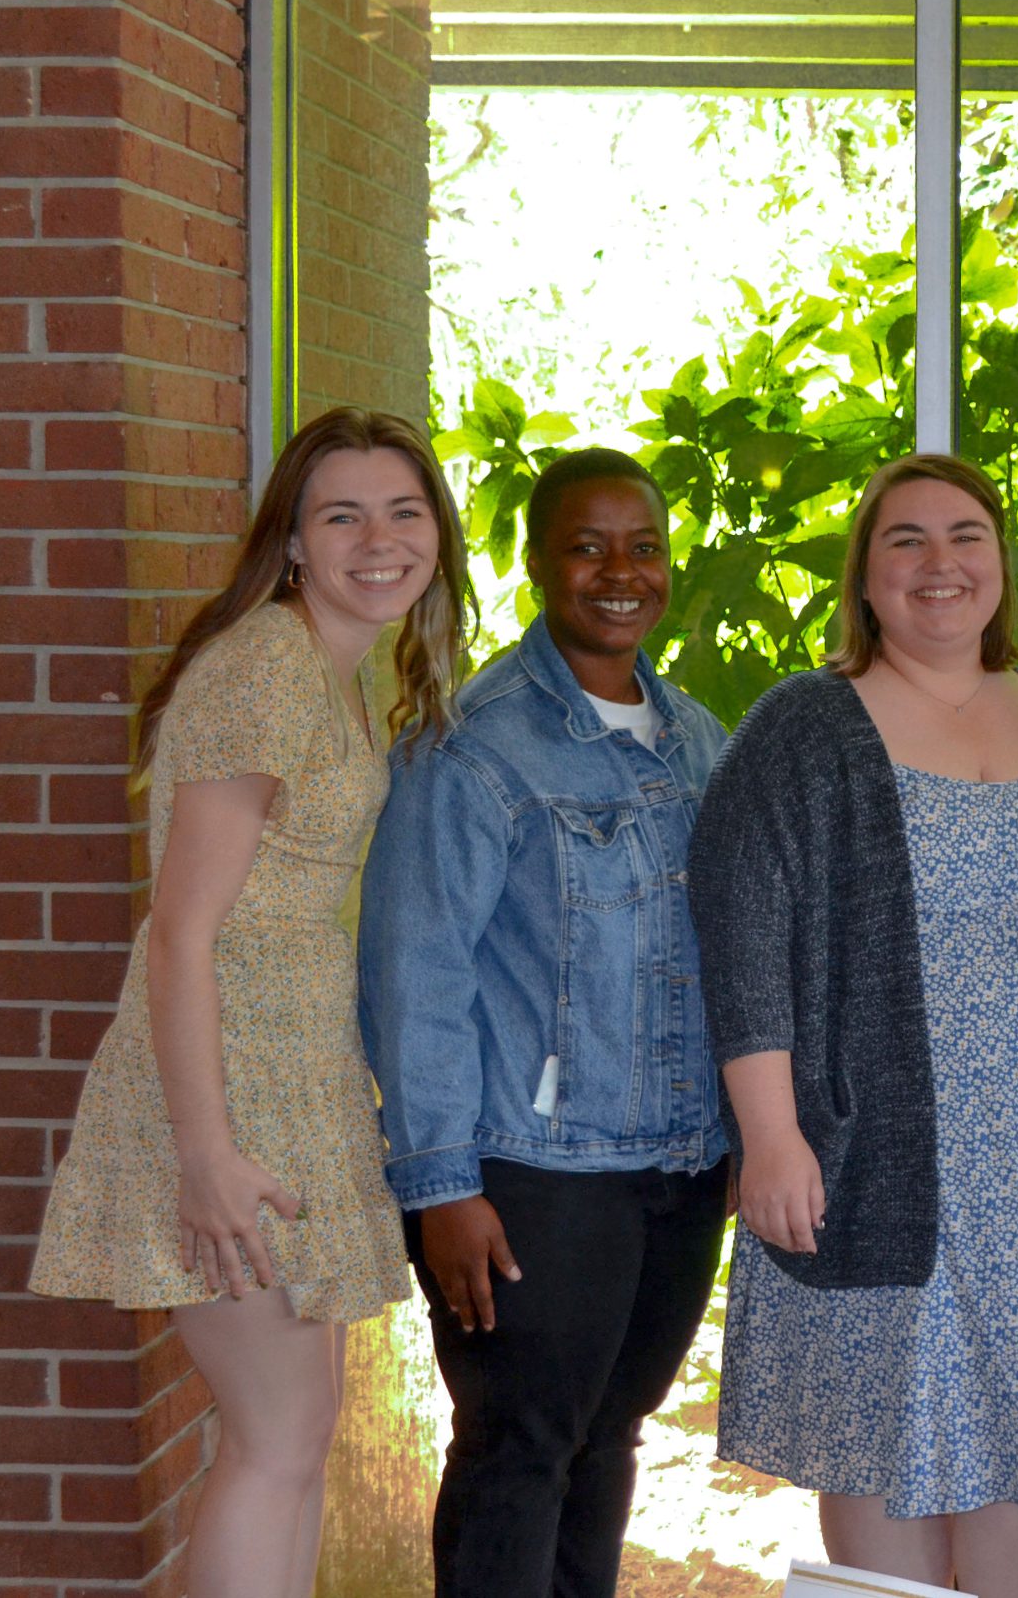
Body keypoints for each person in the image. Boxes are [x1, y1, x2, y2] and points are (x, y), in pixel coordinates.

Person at [687, 453, 1018, 1597]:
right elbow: (740, 928)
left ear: (1001, 564)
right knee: (892, 1469)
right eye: (907, 541)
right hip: (877, 1164)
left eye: (965, 537)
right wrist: (773, 1136)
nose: (939, 565)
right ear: (865, 574)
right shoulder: (806, 724)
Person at [30, 407, 467, 1598]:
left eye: (404, 510)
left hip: (291, 1074)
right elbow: (179, 934)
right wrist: (205, 1152)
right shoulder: (263, 672)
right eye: (343, 515)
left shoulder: (328, 665)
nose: (378, 540)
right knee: (275, 1442)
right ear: (292, 542)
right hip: (226, 1091)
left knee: (292, 1437)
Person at [356, 448, 730, 1597]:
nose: (621, 572)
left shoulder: (697, 737)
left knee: (608, 1440)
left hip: (677, 1168)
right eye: (587, 545)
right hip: (535, 1175)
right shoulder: (474, 746)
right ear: (534, 564)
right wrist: (441, 1187)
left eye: (645, 545)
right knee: (517, 1454)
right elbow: (413, 977)